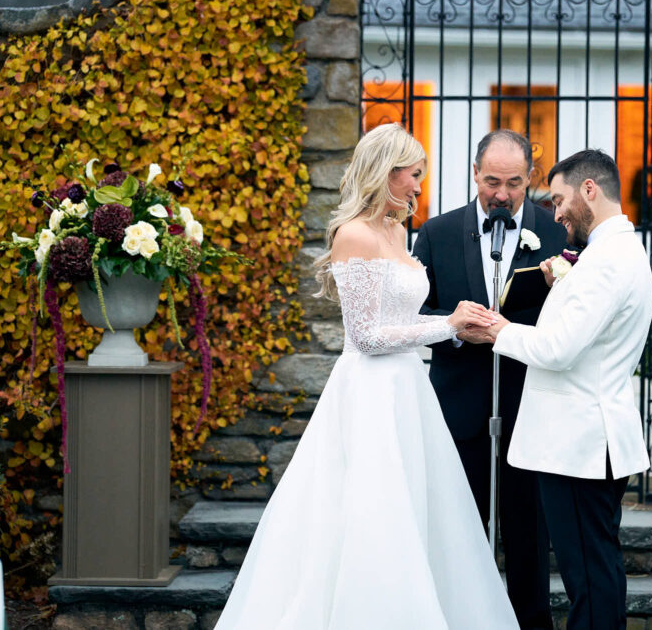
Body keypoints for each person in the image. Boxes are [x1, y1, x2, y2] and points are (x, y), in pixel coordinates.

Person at [215, 123, 519, 629]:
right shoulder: (353, 235)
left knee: (418, 510)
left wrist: (457, 324)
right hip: (370, 393)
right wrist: (446, 326)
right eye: (413, 174)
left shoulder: (398, 231)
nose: (419, 185)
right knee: (372, 511)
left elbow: (399, 318)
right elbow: (366, 336)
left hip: (408, 390)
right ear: (386, 171)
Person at [466, 149, 652, 630]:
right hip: (586, 443)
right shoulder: (615, 252)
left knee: (589, 578)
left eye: (558, 200)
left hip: (579, 447)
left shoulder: (607, 261)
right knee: (595, 572)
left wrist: (498, 330)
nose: (555, 214)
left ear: (589, 189)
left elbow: (557, 348)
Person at [412, 129, 566, 630]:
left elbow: (572, 320)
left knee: (529, 538)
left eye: (514, 183)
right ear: (474, 173)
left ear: (531, 178)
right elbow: (416, 312)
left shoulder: (558, 234)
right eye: (492, 182)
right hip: (460, 410)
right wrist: (456, 331)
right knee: (458, 537)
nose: (502, 194)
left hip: (532, 408)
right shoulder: (436, 232)